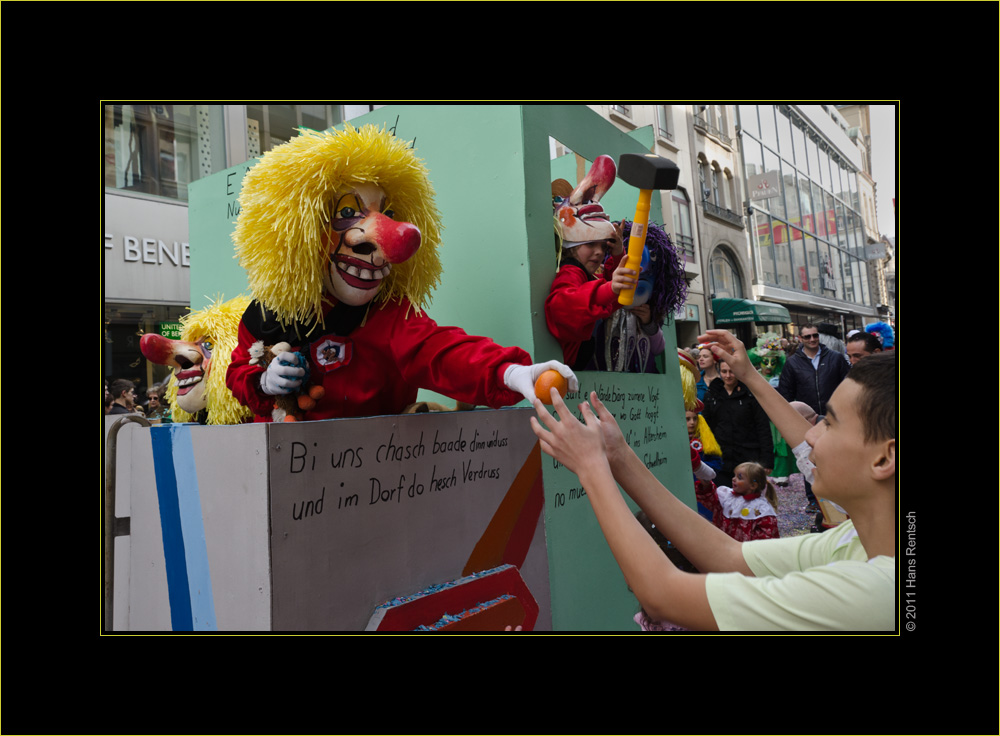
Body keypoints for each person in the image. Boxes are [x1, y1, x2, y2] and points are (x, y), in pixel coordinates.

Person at [528, 331, 895, 631]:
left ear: (884, 458)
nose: (810, 437)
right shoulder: (852, 540)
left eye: (828, 423)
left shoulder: (879, 593)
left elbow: (662, 594)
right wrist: (619, 459)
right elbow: (727, 555)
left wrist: (592, 469)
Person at [702, 362, 773, 489]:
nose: (728, 376)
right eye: (724, 372)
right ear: (719, 371)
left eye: (732, 371)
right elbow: (706, 427)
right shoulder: (711, 395)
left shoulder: (750, 395)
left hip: (747, 455)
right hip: (721, 457)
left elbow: (762, 427)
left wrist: (767, 460)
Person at [777, 323, 850, 417]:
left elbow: (847, 384)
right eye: (807, 337)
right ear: (800, 338)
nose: (812, 339)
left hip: (835, 415)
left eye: (815, 335)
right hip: (808, 418)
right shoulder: (792, 362)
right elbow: (786, 393)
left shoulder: (836, 357)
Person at [695, 461, 779, 542]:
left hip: (743, 552)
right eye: (734, 475)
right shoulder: (727, 496)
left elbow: (767, 536)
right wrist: (706, 485)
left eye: (739, 477)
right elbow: (711, 502)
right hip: (722, 547)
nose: (733, 479)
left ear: (753, 485)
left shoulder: (761, 508)